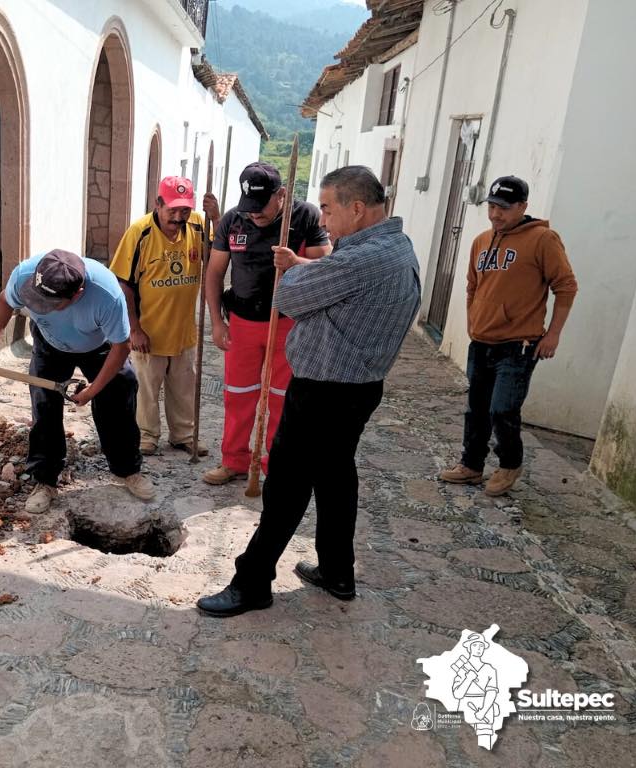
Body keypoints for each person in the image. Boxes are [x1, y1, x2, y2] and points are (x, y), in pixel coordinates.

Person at [197, 166, 421, 617]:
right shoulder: (393, 245)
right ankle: (338, 571)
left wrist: (296, 272)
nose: (324, 217)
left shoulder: (361, 259)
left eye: (329, 207)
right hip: (358, 384)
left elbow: (288, 296)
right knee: (336, 476)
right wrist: (307, 267)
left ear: (357, 209)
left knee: (287, 485)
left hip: (326, 388)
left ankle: (253, 581)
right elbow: (322, 278)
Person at [0, 249, 155, 514]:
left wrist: (94, 389)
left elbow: (121, 346)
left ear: (77, 294)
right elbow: (4, 303)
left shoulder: (107, 295)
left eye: (49, 303)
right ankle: (45, 480)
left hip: (99, 344)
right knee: (44, 406)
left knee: (119, 393)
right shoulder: (25, 273)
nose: (38, 306)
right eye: (36, 299)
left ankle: (127, 469)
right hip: (50, 343)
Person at [439, 176, 577, 496]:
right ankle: (471, 465)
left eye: (503, 207)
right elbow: (473, 285)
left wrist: (553, 334)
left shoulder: (543, 239)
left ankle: (509, 464)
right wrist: (475, 319)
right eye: (491, 206)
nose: (495, 214)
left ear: (522, 207)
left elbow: (566, 287)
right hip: (483, 341)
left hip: (520, 344)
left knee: (502, 408)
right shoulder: (481, 241)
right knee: (476, 407)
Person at [202, 161, 331, 485]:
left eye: (261, 207)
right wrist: (217, 322)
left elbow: (330, 268)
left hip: (288, 322)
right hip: (243, 322)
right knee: (238, 394)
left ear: (282, 194)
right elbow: (215, 272)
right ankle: (234, 460)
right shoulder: (232, 220)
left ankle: (276, 464)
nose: (254, 214)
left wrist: (296, 263)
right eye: (250, 207)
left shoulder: (306, 217)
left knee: (281, 396)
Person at [109, 176, 218, 456]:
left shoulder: (197, 224)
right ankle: (147, 435)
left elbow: (217, 256)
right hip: (149, 330)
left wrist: (216, 219)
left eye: (184, 210)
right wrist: (134, 329)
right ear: (158, 203)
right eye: (173, 210)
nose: (179, 217)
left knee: (183, 385)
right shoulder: (139, 233)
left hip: (183, 328)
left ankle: (183, 434)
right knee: (147, 387)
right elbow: (123, 284)